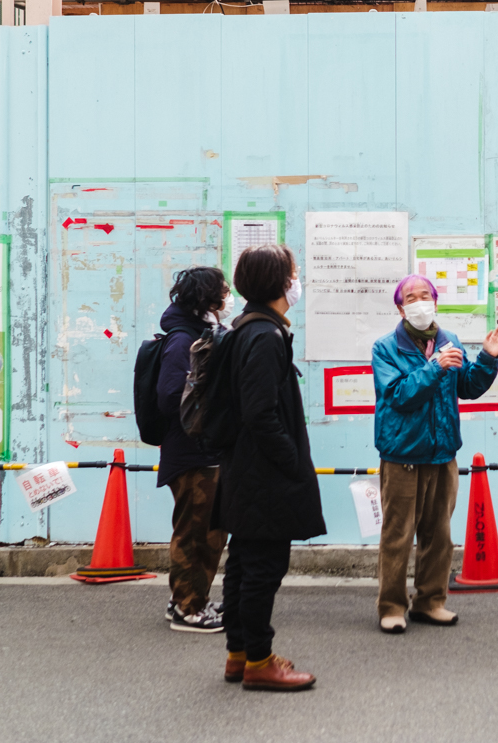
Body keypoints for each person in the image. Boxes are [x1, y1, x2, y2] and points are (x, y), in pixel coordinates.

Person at [371, 275, 498, 634]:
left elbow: (468, 386)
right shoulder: (385, 348)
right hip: (402, 453)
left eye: (425, 296)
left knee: (439, 534)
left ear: (435, 301)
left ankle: (431, 601)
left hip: (443, 453)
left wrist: (488, 359)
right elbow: (399, 395)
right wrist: (433, 368)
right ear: (400, 307)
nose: (419, 303)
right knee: (398, 534)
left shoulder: (449, 340)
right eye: (410, 298)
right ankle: (391, 606)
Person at [217, 244, 325, 691]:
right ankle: (260, 661)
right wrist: (291, 462)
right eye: (293, 273)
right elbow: (260, 413)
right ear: (279, 283)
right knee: (263, 568)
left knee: (243, 562)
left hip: (244, 469)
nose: (297, 280)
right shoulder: (264, 336)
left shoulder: (248, 327)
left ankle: (239, 654)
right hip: (264, 474)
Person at [156, 266, 230, 633]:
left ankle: (187, 599)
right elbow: (171, 396)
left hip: (201, 451)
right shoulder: (182, 340)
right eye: (224, 291)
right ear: (209, 298)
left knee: (208, 531)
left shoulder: (199, 333)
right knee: (196, 533)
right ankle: (188, 608)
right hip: (191, 454)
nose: (229, 297)